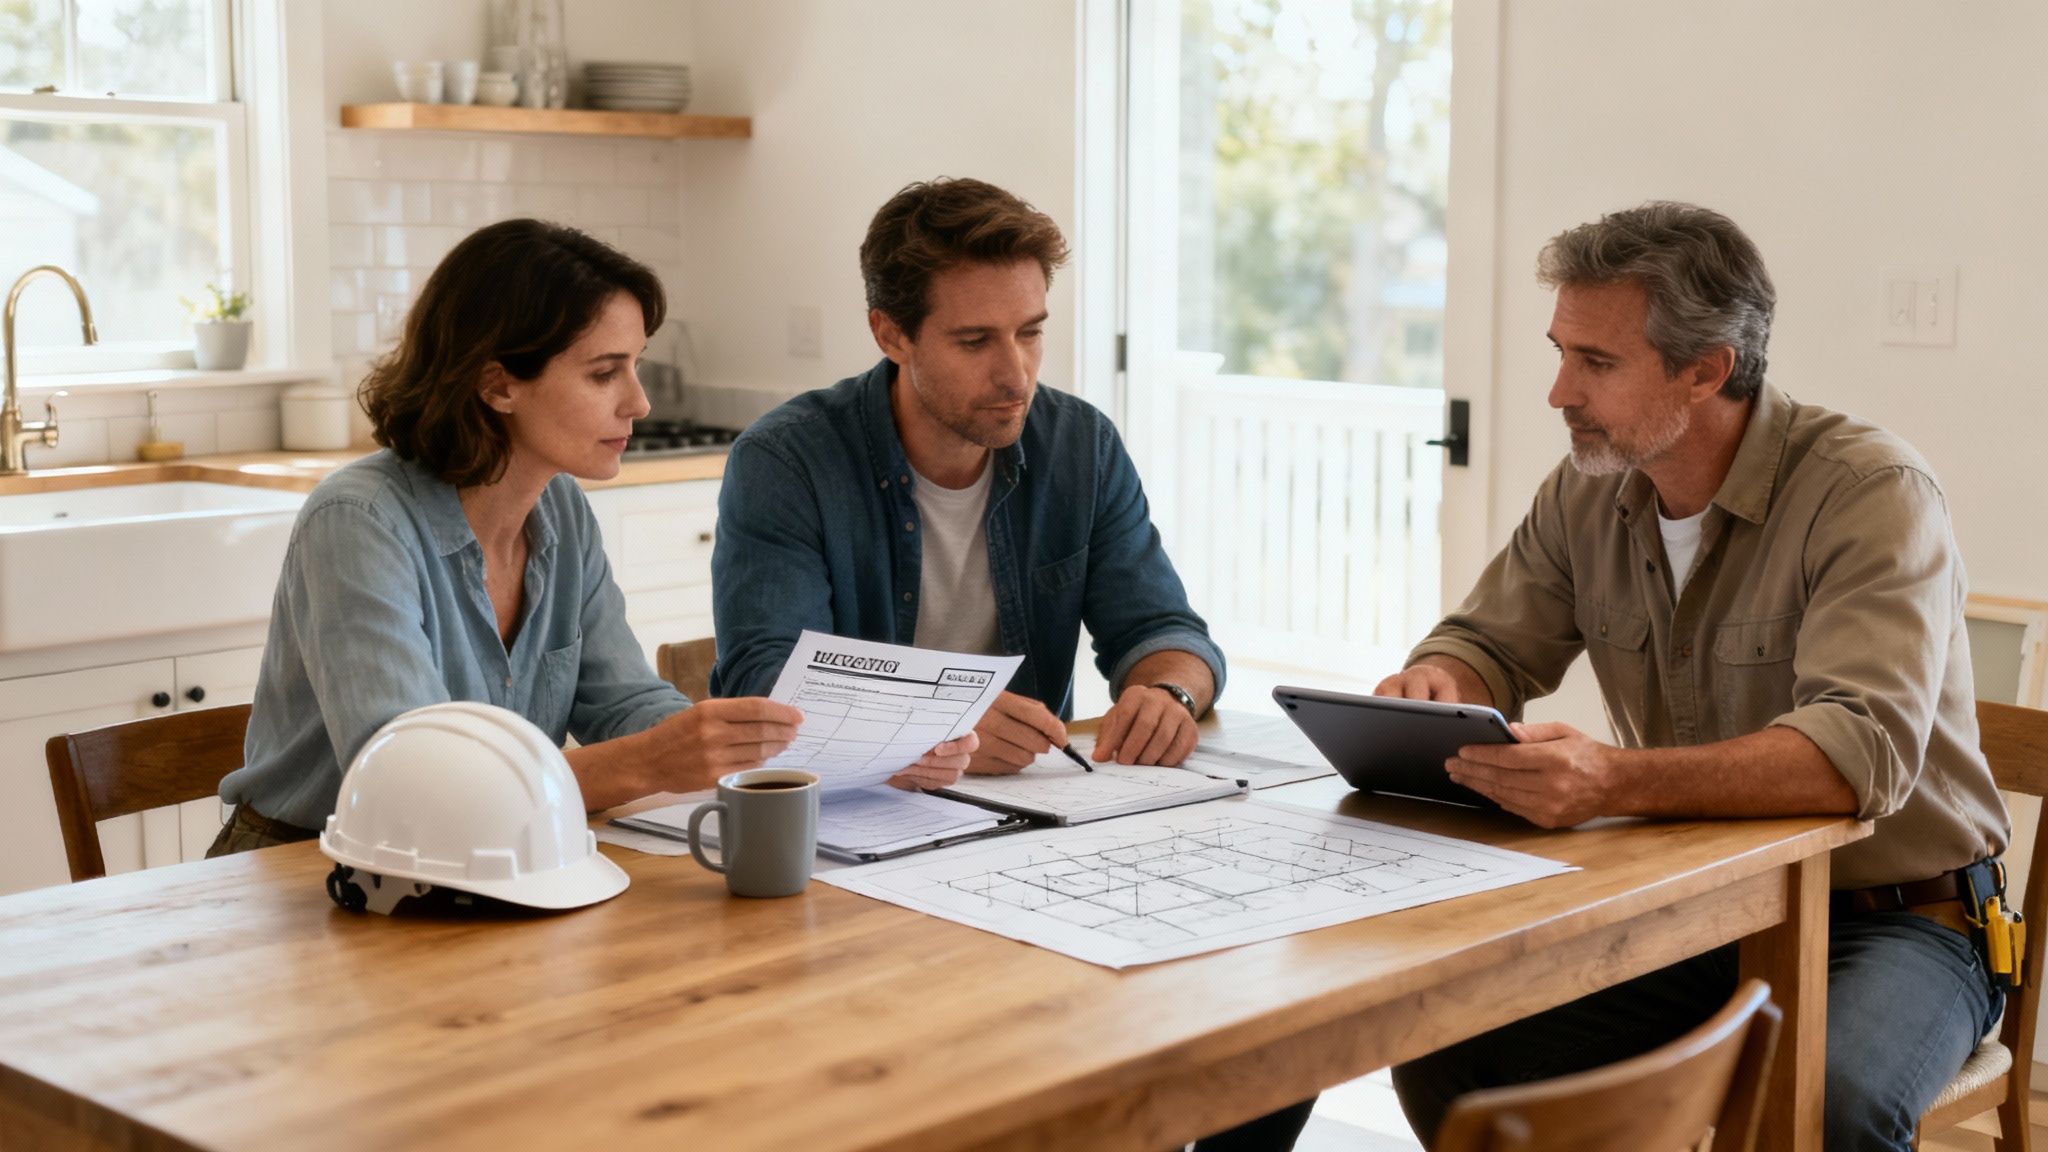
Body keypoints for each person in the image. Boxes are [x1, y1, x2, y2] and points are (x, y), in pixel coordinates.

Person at [1378, 202, 2010, 1151]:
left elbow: (1856, 757)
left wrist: (1609, 782)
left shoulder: (1872, 492)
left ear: (1706, 369)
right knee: (1452, 1048)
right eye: (1561, 351)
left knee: (1833, 1108)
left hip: (1905, 923)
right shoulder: (1587, 488)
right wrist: (1439, 676)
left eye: (1595, 363)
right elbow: (1489, 645)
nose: (1558, 392)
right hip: (1707, 907)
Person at [213, 220, 972, 856]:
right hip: (298, 875)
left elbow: (623, 703)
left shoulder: (562, 511)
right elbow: (409, 789)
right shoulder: (361, 522)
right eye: (605, 372)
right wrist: (650, 761)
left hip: (493, 861)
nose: (638, 401)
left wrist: (842, 754)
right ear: (498, 383)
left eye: (635, 366)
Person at [711, 177, 1225, 774]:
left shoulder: (1082, 446)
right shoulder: (787, 461)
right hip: (852, 809)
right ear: (891, 334)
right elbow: (769, 683)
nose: (1017, 375)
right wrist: (939, 721)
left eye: (1030, 332)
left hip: (1029, 805)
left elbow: (1164, 628)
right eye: (975, 341)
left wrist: (1168, 695)